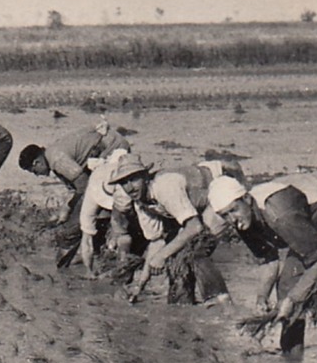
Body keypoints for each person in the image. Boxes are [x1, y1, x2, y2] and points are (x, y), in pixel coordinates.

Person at [209, 169, 317, 363]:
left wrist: (292, 300)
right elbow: (270, 260)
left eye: (233, 210)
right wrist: (261, 297)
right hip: (313, 219)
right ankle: (291, 360)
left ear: (247, 199)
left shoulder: (279, 215)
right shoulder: (244, 221)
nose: (232, 219)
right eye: (224, 215)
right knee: (287, 284)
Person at [114, 160, 240, 304]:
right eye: (124, 183)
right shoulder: (141, 203)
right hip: (196, 207)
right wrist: (141, 284)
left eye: (133, 179)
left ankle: (221, 299)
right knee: (176, 260)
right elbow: (156, 241)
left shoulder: (165, 187)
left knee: (197, 249)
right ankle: (183, 305)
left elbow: (194, 227)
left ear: (145, 177)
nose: (129, 187)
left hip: (219, 191)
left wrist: (162, 255)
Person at [18, 118, 125, 221]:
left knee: (102, 194)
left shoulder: (56, 160)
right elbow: (74, 186)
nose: (37, 175)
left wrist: (69, 207)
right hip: (103, 145)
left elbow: (83, 184)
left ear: (37, 163)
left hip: (113, 147)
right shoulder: (50, 155)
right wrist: (65, 208)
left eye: (35, 171)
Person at [76, 151, 148, 277]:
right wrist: (88, 270)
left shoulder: (126, 189)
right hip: (102, 182)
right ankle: (120, 261)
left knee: (124, 233)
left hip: (124, 195)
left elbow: (124, 235)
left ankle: (123, 264)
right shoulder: (93, 194)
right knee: (108, 232)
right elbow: (86, 240)